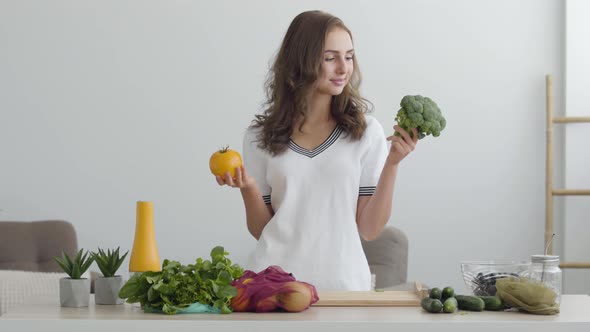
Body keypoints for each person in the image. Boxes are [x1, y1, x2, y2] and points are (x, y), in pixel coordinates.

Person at [215, 10, 418, 291]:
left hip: (345, 288)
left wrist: (392, 164)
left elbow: (369, 230)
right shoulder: (258, 138)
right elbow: (263, 231)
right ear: (302, 61)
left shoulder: (365, 132)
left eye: (348, 56)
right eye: (330, 57)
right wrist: (247, 186)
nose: (343, 68)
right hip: (275, 289)